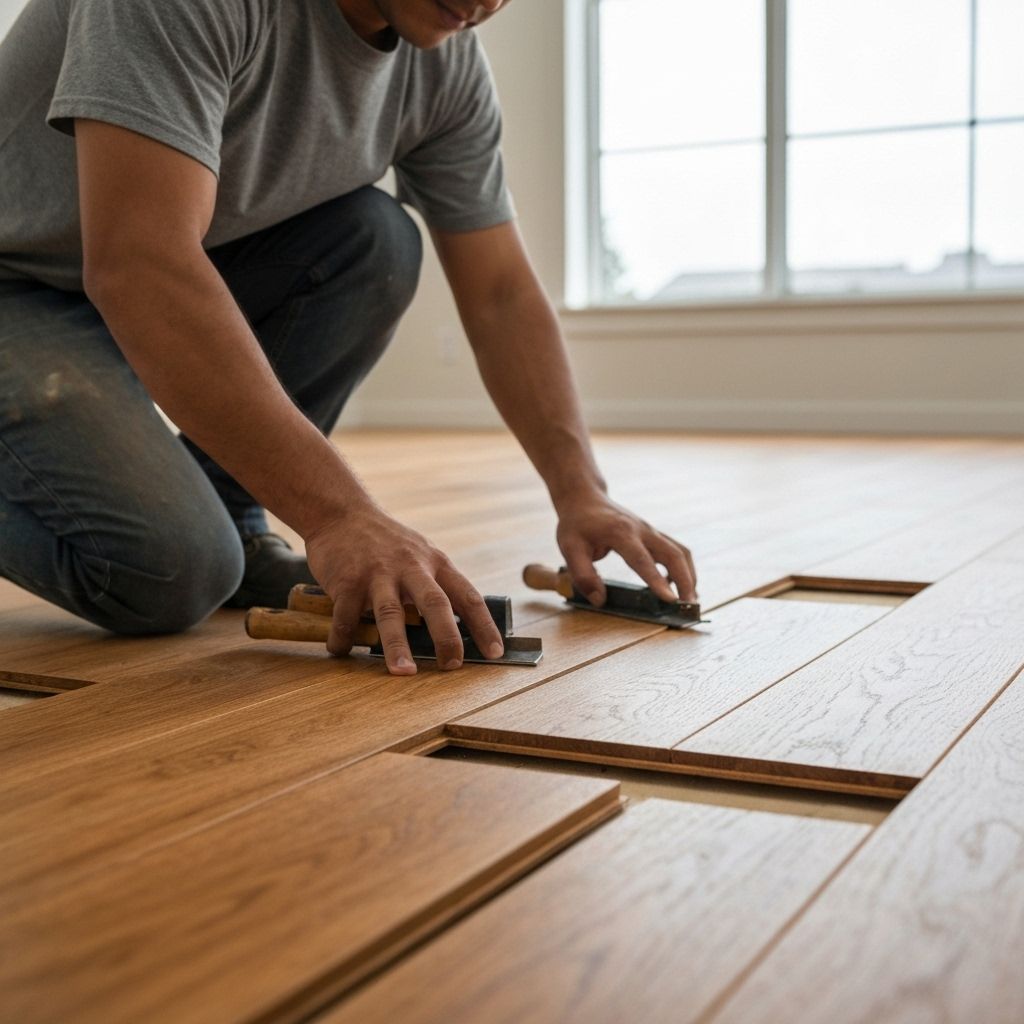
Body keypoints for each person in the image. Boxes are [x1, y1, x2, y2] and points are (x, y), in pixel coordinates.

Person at [0, 0, 696, 675]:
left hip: (130, 273)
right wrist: (339, 515)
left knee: (375, 240)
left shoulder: (443, 65)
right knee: (167, 572)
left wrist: (582, 492)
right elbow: (139, 265)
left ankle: (235, 513)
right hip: (21, 280)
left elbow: (501, 294)